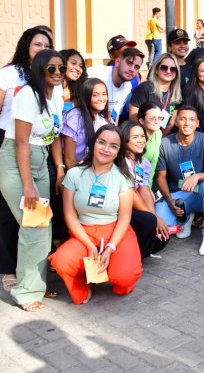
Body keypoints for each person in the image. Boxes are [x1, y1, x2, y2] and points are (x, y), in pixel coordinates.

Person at [0, 49, 66, 311]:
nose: (58, 73)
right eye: (51, 69)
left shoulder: (56, 94)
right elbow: (22, 142)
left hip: (40, 162)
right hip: (16, 164)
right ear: (39, 70)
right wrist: (28, 185)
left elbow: (54, 135)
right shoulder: (28, 94)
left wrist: (58, 168)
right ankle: (25, 292)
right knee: (33, 225)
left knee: (42, 226)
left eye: (61, 68)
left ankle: (34, 282)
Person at [0, 26, 52, 278]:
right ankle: (8, 269)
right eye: (37, 44)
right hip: (7, 141)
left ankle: (25, 265)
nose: (42, 49)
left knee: (31, 210)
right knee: (5, 206)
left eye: (47, 45)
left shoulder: (46, 75)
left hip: (36, 144)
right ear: (26, 46)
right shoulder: (10, 73)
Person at [50, 125, 142, 305]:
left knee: (124, 276)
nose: (106, 149)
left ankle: (110, 271)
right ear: (93, 144)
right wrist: (89, 245)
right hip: (84, 232)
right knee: (61, 261)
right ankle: (84, 283)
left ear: (118, 152)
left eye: (113, 146)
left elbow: (124, 218)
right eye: (102, 142)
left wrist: (110, 248)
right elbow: (69, 215)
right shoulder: (75, 174)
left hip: (115, 232)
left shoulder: (123, 178)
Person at [154, 106, 204, 255]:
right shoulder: (165, 143)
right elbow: (160, 178)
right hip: (178, 195)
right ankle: (185, 219)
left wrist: (196, 176)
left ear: (198, 123)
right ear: (176, 122)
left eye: (191, 119)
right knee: (161, 221)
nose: (187, 123)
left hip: (199, 193)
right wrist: (170, 201)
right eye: (183, 119)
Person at [120, 121, 169, 258]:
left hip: (135, 206)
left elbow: (144, 189)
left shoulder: (142, 162)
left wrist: (155, 218)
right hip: (119, 209)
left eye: (142, 136)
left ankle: (137, 253)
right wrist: (153, 218)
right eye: (135, 137)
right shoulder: (118, 161)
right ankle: (131, 258)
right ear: (124, 139)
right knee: (148, 221)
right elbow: (131, 194)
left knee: (162, 235)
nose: (141, 140)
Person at [62, 78, 110, 169]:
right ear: (86, 97)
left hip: (86, 167)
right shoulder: (75, 118)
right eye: (95, 95)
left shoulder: (102, 121)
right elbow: (69, 159)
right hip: (69, 169)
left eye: (104, 94)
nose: (101, 99)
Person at [129, 53, 182, 135]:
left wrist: (160, 138)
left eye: (173, 69)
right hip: (143, 136)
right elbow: (133, 117)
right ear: (157, 70)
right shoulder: (145, 88)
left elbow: (171, 123)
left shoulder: (176, 92)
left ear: (176, 74)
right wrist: (146, 137)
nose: (168, 71)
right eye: (164, 68)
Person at [87, 47, 145, 123]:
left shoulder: (128, 86)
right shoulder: (94, 74)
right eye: (129, 63)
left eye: (136, 67)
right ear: (117, 62)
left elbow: (115, 116)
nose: (132, 69)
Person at [138, 101, 164, 188]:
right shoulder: (136, 139)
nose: (157, 122)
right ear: (141, 120)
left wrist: (148, 189)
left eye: (160, 118)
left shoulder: (158, 134)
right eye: (152, 118)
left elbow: (153, 166)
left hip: (148, 185)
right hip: (135, 185)